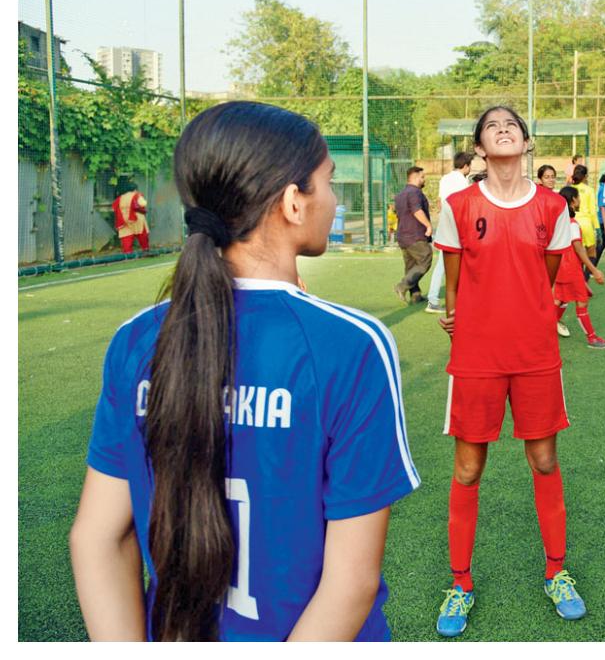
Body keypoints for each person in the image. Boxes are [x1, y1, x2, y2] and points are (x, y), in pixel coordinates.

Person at [69, 101, 419, 641]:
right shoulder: (352, 345)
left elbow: (98, 538)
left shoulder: (137, 339)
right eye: (327, 183)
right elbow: (351, 583)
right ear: (292, 203)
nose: (333, 199)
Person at [432, 106, 584, 638]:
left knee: (543, 460)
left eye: (512, 125)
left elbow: (544, 274)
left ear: (526, 143)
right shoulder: (457, 204)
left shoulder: (551, 205)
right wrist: (457, 316)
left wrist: (528, 312)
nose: (503, 129)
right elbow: (454, 277)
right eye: (492, 126)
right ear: (479, 146)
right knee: (468, 468)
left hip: (535, 351)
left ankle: (556, 572)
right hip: (476, 353)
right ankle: (461, 583)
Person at [554, 185, 605, 349]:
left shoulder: (559, 221)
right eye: (577, 197)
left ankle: (542, 332)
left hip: (560, 268)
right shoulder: (572, 223)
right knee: (581, 302)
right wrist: (594, 270)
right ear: (573, 201)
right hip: (570, 268)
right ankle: (592, 338)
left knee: (560, 299)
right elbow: (578, 248)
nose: (580, 200)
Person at [425, 152, 474, 313]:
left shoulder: (445, 178)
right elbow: (463, 204)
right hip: (458, 225)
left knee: (443, 264)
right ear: (466, 166)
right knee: (459, 263)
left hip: (446, 224)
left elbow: (440, 202)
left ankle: (433, 299)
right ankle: (455, 300)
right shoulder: (462, 181)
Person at [393, 166, 434, 304]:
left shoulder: (401, 194)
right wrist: (428, 225)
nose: (424, 180)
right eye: (423, 177)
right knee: (425, 258)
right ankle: (402, 286)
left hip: (402, 236)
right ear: (416, 178)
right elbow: (417, 210)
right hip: (415, 235)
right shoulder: (415, 193)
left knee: (411, 266)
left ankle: (416, 296)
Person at [569, 164, 600, 277]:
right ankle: (584, 280)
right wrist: (597, 228)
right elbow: (592, 211)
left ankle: (577, 281)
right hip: (586, 224)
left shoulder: (569, 189)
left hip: (572, 223)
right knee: (592, 254)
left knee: (577, 255)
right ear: (585, 176)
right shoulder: (589, 190)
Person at [112, 184, 149, 253]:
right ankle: (145, 249)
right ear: (135, 189)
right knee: (142, 234)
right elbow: (143, 203)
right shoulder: (136, 195)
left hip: (123, 220)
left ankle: (128, 253)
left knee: (126, 236)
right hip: (136, 218)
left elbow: (114, 207)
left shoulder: (121, 197)